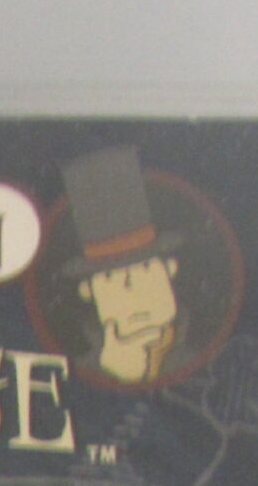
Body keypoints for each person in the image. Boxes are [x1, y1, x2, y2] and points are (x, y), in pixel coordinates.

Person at [57, 146, 187, 387]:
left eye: (144, 269)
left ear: (170, 270)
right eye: (110, 278)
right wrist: (106, 372)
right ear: (88, 291)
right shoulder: (74, 375)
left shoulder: (203, 362)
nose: (131, 290)